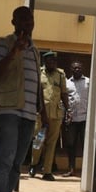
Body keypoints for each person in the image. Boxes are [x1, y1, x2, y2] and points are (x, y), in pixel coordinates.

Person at [0, 5, 43, 192]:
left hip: (29, 114)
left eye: (30, 20)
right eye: (22, 20)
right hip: (8, 110)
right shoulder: (4, 43)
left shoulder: (35, 50)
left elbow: (36, 84)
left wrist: (43, 113)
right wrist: (14, 52)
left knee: (16, 163)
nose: (27, 24)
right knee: (4, 160)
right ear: (14, 22)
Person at [29, 50, 68, 181]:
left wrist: (68, 110)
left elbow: (64, 94)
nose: (52, 63)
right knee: (38, 140)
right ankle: (34, 164)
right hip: (41, 113)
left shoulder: (61, 75)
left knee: (52, 143)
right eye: (50, 60)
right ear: (45, 62)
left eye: (54, 61)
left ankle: (47, 171)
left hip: (56, 114)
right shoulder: (39, 73)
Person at [64, 60, 91, 177]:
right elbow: (63, 99)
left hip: (85, 119)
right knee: (70, 144)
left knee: (86, 145)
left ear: (82, 69)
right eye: (75, 68)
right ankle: (71, 169)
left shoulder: (89, 82)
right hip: (72, 119)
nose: (77, 70)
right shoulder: (66, 83)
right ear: (71, 70)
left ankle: (87, 171)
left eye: (79, 68)